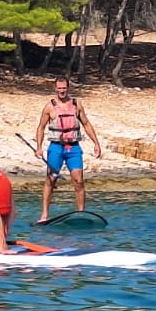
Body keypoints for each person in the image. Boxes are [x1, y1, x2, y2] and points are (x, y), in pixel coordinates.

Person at [33, 77, 103, 223]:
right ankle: (44, 214)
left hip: (74, 148)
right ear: (55, 88)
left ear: (68, 88)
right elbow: (41, 127)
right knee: (51, 179)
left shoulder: (77, 104)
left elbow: (86, 124)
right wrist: (39, 147)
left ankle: (81, 213)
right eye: (59, 88)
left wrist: (96, 143)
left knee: (78, 181)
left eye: (64, 88)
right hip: (56, 148)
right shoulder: (49, 107)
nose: (62, 91)